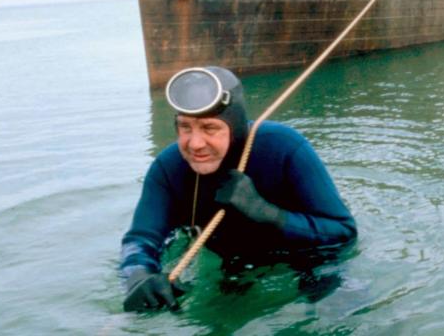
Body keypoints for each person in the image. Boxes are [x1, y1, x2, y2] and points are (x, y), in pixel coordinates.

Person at [120, 66, 357, 312]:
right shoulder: (168, 168)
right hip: (228, 266)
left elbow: (344, 230)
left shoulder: (286, 149)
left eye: (210, 128)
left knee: (338, 313)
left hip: (307, 258)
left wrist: (267, 213)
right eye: (185, 127)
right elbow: (140, 240)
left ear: (235, 127)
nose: (195, 143)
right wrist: (139, 276)